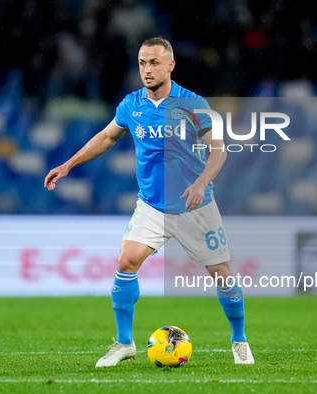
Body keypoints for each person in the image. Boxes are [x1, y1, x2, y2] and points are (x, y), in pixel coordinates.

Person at [44, 37, 254, 366]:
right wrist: (68, 165)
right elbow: (105, 137)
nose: (147, 69)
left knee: (222, 274)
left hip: (192, 204)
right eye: (142, 63)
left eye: (154, 63)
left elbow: (219, 149)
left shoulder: (192, 104)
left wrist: (201, 183)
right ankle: (124, 343)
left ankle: (239, 339)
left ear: (170, 65)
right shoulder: (132, 105)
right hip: (152, 205)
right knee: (126, 261)